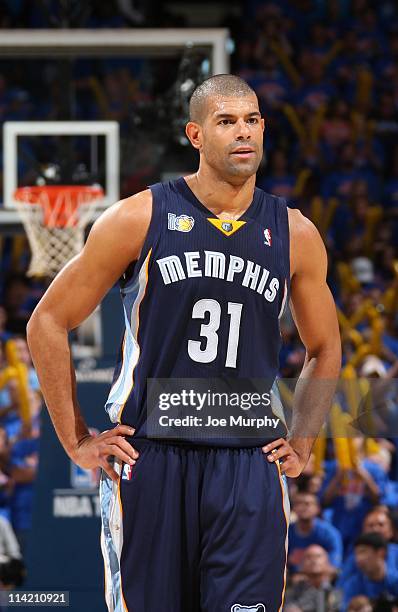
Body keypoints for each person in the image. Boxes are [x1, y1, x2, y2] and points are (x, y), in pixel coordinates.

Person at [26, 75, 341, 612]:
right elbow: (47, 323)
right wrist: (78, 441)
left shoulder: (295, 233)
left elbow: (326, 346)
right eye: (226, 122)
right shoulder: (139, 217)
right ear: (196, 135)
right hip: (152, 459)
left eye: (252, 120)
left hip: (248, 463)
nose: (243, 133)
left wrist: (305, 440)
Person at [288, 491, 343, 573]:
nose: (303, 507)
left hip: (322, 578)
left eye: (307, 504)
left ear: (317, 509)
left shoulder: (329, 533)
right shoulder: (286, 532)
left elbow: (334, 567)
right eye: (298, 504)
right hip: (293, 579)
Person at [342, 533, 398, 610]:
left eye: (363, 552)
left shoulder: (395, 581)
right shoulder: (353, 585)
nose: (358, 559)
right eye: (356, 554)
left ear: (381, 553)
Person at [285, 544, 342, 612]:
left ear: (328, 563)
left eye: (318, 556)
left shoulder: (337, 584)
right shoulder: (296, 588)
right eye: (308, 557)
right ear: (301, 565)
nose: (313, 560)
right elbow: (288, 606)